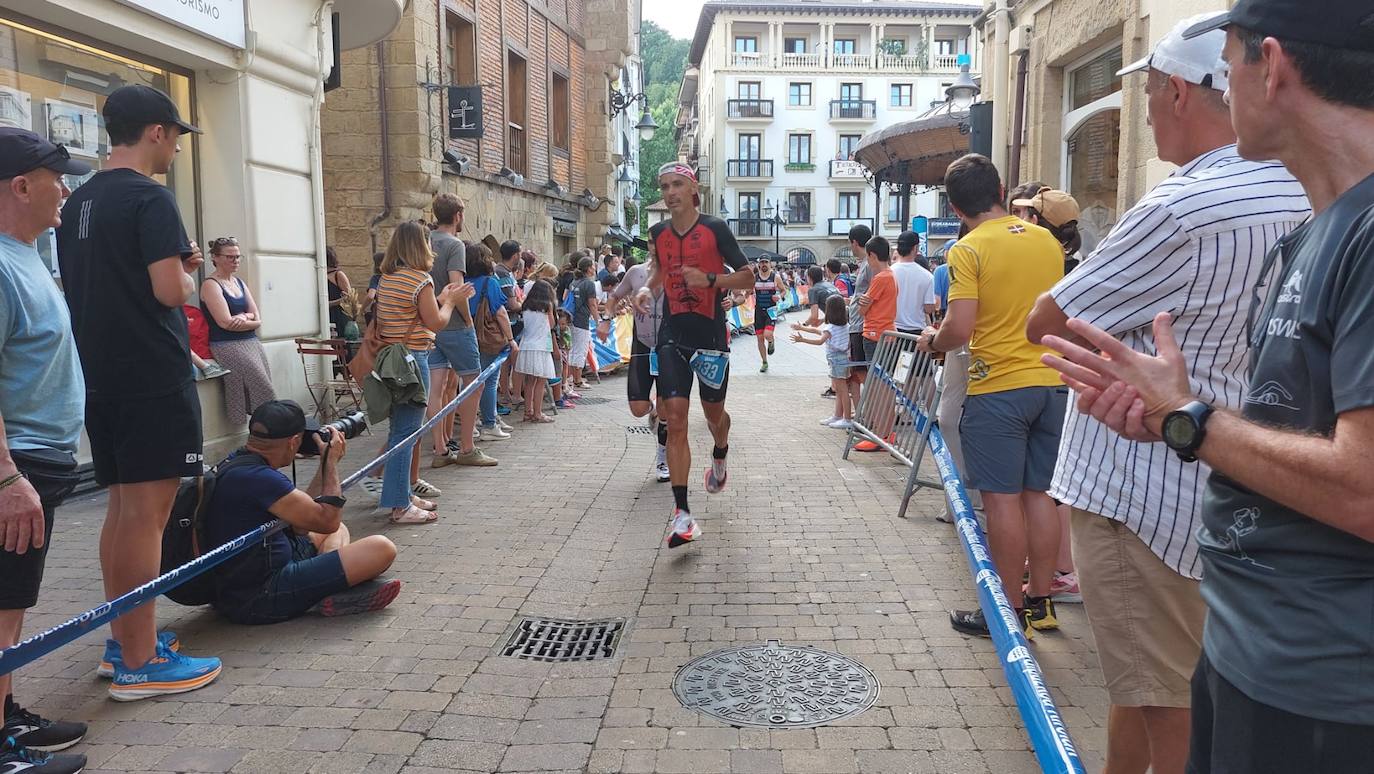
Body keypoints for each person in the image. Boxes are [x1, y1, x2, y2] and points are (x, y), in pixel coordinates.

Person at [1041, 4, 1374, 769]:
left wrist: (1185, 417)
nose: (1228, 87)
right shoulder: (1315, 222)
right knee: (1148, 689)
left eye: (1234, 64)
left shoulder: (1351, 229)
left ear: (1275, 67)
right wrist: (1177, 410)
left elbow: (1364, 487)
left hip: (1319, 685)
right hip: (1263, 639)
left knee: (1155, 694)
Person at [56, 84, 221, 701]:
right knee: (147, 520)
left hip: (102, 373)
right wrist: (187, 268)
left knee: (122, 513)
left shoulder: (80, 201)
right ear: (156, 131)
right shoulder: (152, 199)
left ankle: (124, 640)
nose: (177, 147)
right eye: (176, 135)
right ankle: (139, 661)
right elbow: (169, 292)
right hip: (154, 374)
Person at [915, 153, 1066, 638]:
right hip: (1051, 382)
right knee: (1040, 495)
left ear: (956, 209)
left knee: (1001, 503)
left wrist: (931, 340)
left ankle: (1008, 611)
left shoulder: (967, 250)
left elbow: (959, 329)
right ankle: (1042, 602)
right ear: (1001, 189)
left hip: (998, 386)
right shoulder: (1046, 240)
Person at [0, 127, 91, 774]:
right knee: (1, 607)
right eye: (55, 177)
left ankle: (4, 714)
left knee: (12, 603)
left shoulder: (27, 252)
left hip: (42, 462)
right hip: (18, 467)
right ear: (19, 186)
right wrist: (6, 478)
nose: (65, 188)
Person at [638, 162, 753, 548]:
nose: (669, 192)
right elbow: (659, 271)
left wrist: (710, 280)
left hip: (711, 336)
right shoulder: (657, 233)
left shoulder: (715, 228)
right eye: (664, 185)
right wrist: (646, 291)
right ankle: (682, 515)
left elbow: (748, 276)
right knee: (675, 419)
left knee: (714, 416)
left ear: (693, 189)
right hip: (672, 334)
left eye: (676, 185)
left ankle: (720, 452)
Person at [205, 400, 400, 624]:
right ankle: (324, 589)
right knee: (382, 548)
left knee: (337, 531)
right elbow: (328, 520)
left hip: (239, 584)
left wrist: (323, 464)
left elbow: (305, 521)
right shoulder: (260, 478)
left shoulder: (238, 464)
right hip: (261, 595)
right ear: (293, 442)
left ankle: (326, 583)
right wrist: (331, 464)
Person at [373, 221, 470, 524]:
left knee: (400, 431)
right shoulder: (419, 279)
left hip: (390, 358)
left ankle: (399, 495)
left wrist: (440, 299)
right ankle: (400, 506)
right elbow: (435, 323)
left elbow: (407, 314)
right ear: (421, 245)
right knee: (407, 433)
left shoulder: (387, 278)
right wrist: (451, 302)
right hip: (413, 359)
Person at [200, 236, 276, 424]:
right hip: (227, 344)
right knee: (264, 390)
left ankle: (271, 436)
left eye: (237, 257)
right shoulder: (211, 285)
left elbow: (257, 319)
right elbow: (225, 322)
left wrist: (244, 317)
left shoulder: (239, 282)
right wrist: (250, 318)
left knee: (263, 389)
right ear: (215, 258)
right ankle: (269, 435)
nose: (235, 261)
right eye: (230, 257)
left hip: (251, 342)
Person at [611, 250, 670, 482]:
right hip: (642, 346)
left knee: (667, 410)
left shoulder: (677, 274)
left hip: (668, 347)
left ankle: (663, 459)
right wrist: (607, 317)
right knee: (637, 409)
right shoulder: (635, 273)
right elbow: (615, 296)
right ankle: (653, 409)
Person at [468, 242, 518, 440]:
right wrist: (510, 339)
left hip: (469, 334)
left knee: (472, 381)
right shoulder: (490, 283)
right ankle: (489, 422)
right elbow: (501, 313)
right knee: (489, 382)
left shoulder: (461, 280)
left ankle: (488, 418)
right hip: (488, 338)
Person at [853, 236, 899, 447]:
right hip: (886, 334)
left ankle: (881, 435)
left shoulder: (881, 277)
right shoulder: (891, 275)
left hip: (875, 335)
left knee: (879, 388)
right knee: (884, 386)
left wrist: (863, 302)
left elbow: (862, 308)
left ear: (872, 255)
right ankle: (885, 434)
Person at [791, 295, 853, 429]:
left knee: (842, 391)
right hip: (844, 360)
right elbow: (818, 331)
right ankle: (838, 415)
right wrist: (801, 328)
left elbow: (820, 340)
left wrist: (802, 340)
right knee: (840, 390)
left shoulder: (831, 327)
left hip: (836, 360)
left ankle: (847, 418)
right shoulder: (846, 326)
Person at [843, 225, 876, 450]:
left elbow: (870, 296)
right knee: (859, 372)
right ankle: (867, 416)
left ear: (855, 242)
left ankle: (873, 418)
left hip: (863, 326)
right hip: (858, 324)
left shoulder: (870, 265)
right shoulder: (865, 265)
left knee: (866, 374)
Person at [514, 279, 557, 423]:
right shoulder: (547, 305)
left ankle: (528, 412)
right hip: (541, 346)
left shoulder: (525, 305)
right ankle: (538, 413)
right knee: (540, 381)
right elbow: (551, 325)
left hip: (526, 345)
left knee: (530, 382)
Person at [890, 230, 937, 336]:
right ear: (915, 248)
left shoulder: (888, 273)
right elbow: (929, 308)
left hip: (891, 330)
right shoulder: (927, 276)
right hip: (916, 330)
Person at [567, 256, 600, 390]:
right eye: (592, 266)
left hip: (572, 318)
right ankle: (578, 380)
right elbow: (592, 304)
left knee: (572, 349)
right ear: (588, 268)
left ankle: (570, 378)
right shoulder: (589, 284)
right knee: (581, 350)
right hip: (582, 320)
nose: (594, 268)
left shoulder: (574, 282)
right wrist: (598, 320)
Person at [748, 256, 785, 372]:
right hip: (758, 310)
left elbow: (784, 290)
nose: (764, 264)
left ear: (770, 264)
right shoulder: (755, 278)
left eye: (766, 262)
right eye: (762, 262)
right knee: (759, 338)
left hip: (771, 310)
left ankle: (771, 341)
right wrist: (746, 293)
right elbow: (748, 291)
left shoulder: (776, 277)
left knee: (767, 334)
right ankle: (764, 362)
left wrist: (779, 296)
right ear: (759, 265)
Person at [325, 246, 355, 339]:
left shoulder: (338, 274)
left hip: (338, 314)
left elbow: (349, 296)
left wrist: (331, 303)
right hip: (326, 314)